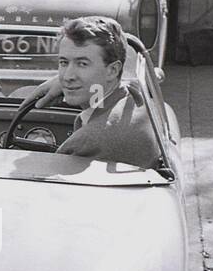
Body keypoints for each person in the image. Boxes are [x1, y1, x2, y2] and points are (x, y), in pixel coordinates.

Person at [22, 16, 161, 169]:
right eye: (64, 62)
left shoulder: (87, 142)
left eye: (82, 64)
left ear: (113, 70)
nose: (68, 76)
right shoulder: (136, 99)